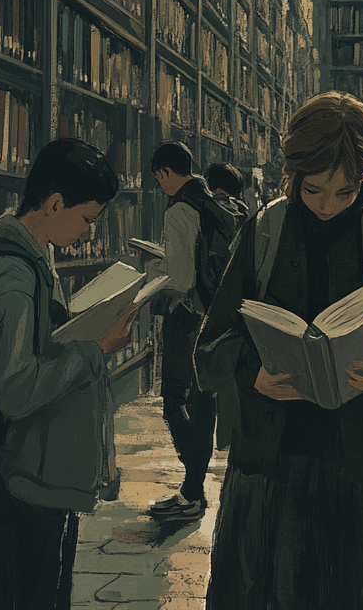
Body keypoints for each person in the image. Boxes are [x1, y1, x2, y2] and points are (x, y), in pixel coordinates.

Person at [195, 93, 363, 609]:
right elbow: (212, 344)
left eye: (345, 191)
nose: (326, 204)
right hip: (268, 472)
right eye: (313, 189)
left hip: (359, 478)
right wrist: (252, 372)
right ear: (293, 174)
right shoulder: (264, 234)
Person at [0, 139, 134, 610]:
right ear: (54, 203)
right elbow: (14, 389)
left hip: (8, 474)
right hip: (2, 482)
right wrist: (93, 349)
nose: (90, 233)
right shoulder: (12, 275)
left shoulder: (26, 254)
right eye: (88, 218)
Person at [148, 142, 239, 521]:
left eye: (158, 179)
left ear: (165, 173)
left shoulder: (179, 210)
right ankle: (192, 492)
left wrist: (156, 277)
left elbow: (182, 278)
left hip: (188, 317)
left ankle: (192, 486)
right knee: (204, 403)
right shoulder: (215, 202)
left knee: (173, 400)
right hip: (216, 316)